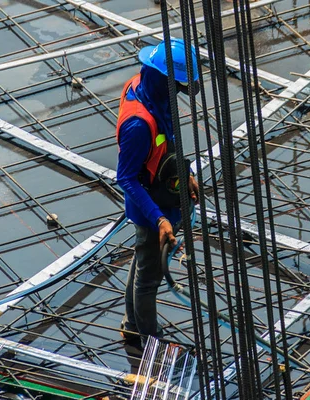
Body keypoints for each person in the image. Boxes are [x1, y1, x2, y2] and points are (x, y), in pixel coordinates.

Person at [116, 38, 200, 348]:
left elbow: (169, 139)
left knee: (142, 264)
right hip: (149, 205)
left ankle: (131, 325)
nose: (178, 92)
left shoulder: (150, 92)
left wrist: (186, 173)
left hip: (161, 190)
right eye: (175, 85)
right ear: (160, 78)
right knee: (148, 280)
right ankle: (150, 341)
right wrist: (160, 219)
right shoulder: (138, 124)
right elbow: (125, 178)